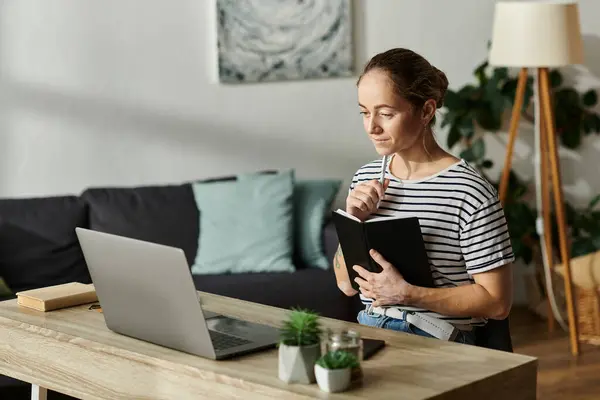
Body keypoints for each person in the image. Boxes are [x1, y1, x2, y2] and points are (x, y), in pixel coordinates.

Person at [332, 48, 514, 345]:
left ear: (427, 111)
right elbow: (346, 285)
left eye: (386, 113)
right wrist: (352, 218)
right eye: (365, 112)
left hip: (437, 340)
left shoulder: (469, 191)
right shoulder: (365, 178)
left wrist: (407, 294)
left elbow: (497, 302)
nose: (371, 127)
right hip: (370, 333)